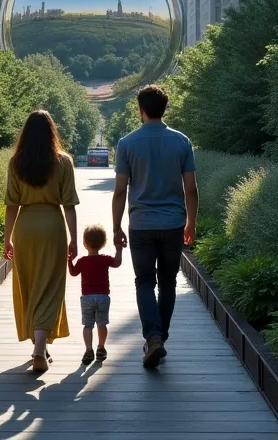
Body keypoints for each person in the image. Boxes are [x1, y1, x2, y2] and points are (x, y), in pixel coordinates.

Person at [112, 84, 198, 369]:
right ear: (164, 109)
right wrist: (191, 223)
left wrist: (116, 228)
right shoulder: (182, 142)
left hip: (141, 224)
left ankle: (153, 336)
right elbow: (191, 190)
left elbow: (120, 190)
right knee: (169, 283)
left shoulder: (127, 144)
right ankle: (159, 337)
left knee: (145, 281)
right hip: (173, 223)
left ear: (142, 110)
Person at [4, 109, 79, 373]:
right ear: (51, 133)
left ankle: (39, 345)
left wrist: (7, 240)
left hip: (25, 228)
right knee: (51, 286)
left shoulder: (16, 163)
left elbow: (11, 205)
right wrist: (74, 239)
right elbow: (69, 204)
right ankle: (40, 347)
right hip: (52, 226)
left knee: (30, 285)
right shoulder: (63, 162)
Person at [68, 224, 123, 365]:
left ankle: (88, 350)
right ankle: (101, 347)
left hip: (86, 297)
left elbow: (73, 272)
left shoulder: (82, 261)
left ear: (85, 243)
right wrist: (118, 249)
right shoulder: (105, 259)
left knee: (87, 325)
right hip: (103, 297)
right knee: (102, 323)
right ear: (103, 243)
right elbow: (117, 263)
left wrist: (68, 260)